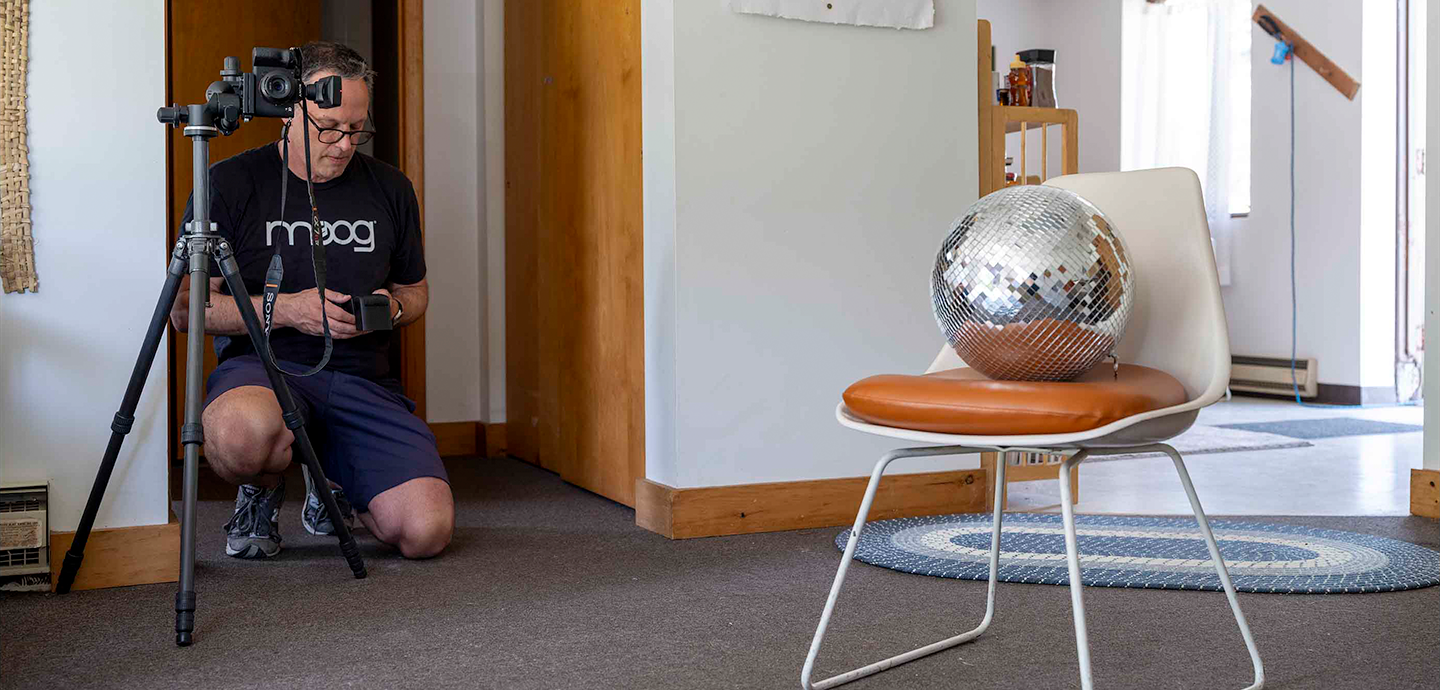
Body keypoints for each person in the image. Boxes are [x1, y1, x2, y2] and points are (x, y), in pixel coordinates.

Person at [170, 41, 452, 560]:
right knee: (242, 437)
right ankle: (262, 484)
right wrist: (289, 310)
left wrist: (389, 310)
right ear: (288, 112)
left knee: (425, 532)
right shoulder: (227, 183)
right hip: (264, 371)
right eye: (329, 128)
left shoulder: (391, 188)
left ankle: (335, 484)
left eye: (356, 129)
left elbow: (415, 292)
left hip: (363, 381)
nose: (344, 144)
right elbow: (186, 309)